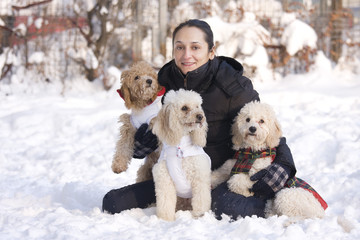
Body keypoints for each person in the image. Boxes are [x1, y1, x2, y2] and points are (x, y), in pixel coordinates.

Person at [102, 19, 296, 219]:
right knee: (113, 202)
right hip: (174, 173)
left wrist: (284, 165)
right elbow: (141, 123)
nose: (187, 55)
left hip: (220, 177)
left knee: (224, 206)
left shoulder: (232, 85)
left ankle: (267, 206)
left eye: (195, 47)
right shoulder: (163, 81)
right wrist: (142, 143)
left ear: (211, 51)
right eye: (180, 47)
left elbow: (265, 126)